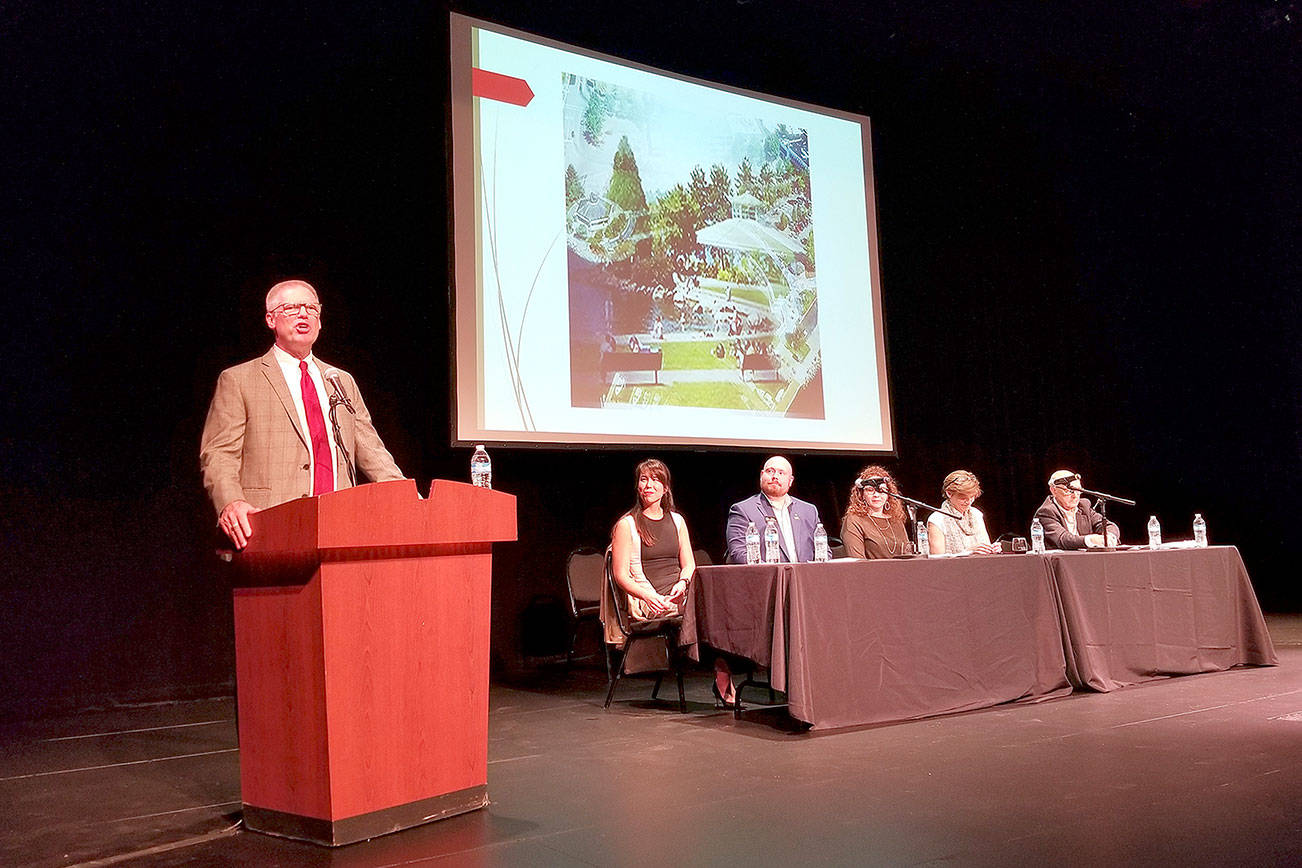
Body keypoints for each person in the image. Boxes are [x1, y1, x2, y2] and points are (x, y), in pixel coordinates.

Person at [200, 279, 405, 549]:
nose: (303, 313)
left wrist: (403, 496)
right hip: (269, 523)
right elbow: (219, 453)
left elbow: (371, 450)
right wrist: (231, 501)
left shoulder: (340, 381)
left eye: (311, 308)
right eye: (291, 308)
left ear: (320, 321)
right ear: (270, 319)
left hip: (341, 524)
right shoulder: (239, 380)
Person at [607, 459, 696, 624]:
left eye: (655, 479)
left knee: (712, 604)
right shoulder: (627, 525)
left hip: (680, 595)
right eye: (643, 479)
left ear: (666, 488)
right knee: (698, 611)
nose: (649, 485)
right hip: (650, 599)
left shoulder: (678, 521)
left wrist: (683, 583)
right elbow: (621, 575)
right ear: (638, 486)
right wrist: (648, 596)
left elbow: (689, 565)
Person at [725, 456, 822, 564]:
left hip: (805, 577)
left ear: (790, 481)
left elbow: (823, 551)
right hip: (767, 578)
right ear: (762, 475)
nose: (775, 476)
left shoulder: (809, 511)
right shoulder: (742, 510)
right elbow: (739, 552)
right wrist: (770, 571)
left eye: (781, 473)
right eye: (770, 471)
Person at [1034, 469, 1120, 549]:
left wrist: (1109, 536)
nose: (1075, 495)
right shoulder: (1046, 512)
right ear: (1053, 490)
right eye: (1070, 490)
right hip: (1062, 562)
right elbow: (1062, 539)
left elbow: (1108, 526)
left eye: (1078, 490)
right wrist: (1090, 540)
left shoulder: (1083, 506)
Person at [841, 466, 912, 559]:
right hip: (870, 572)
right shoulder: (854, 520)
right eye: (870, 490)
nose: (876, 495)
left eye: (881, 490)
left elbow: (907, 555)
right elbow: (857, 561)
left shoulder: (896, 520)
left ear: (889, 494)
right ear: (861, 494)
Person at [927, 470, 998, 555]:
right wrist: (968, 552)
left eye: (972, 497)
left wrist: (992, 549)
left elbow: (986, 545)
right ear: (949, 493)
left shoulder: (977, 514)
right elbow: (937, 559)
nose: (968, 502)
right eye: (963, 498)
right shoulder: (937, 519)